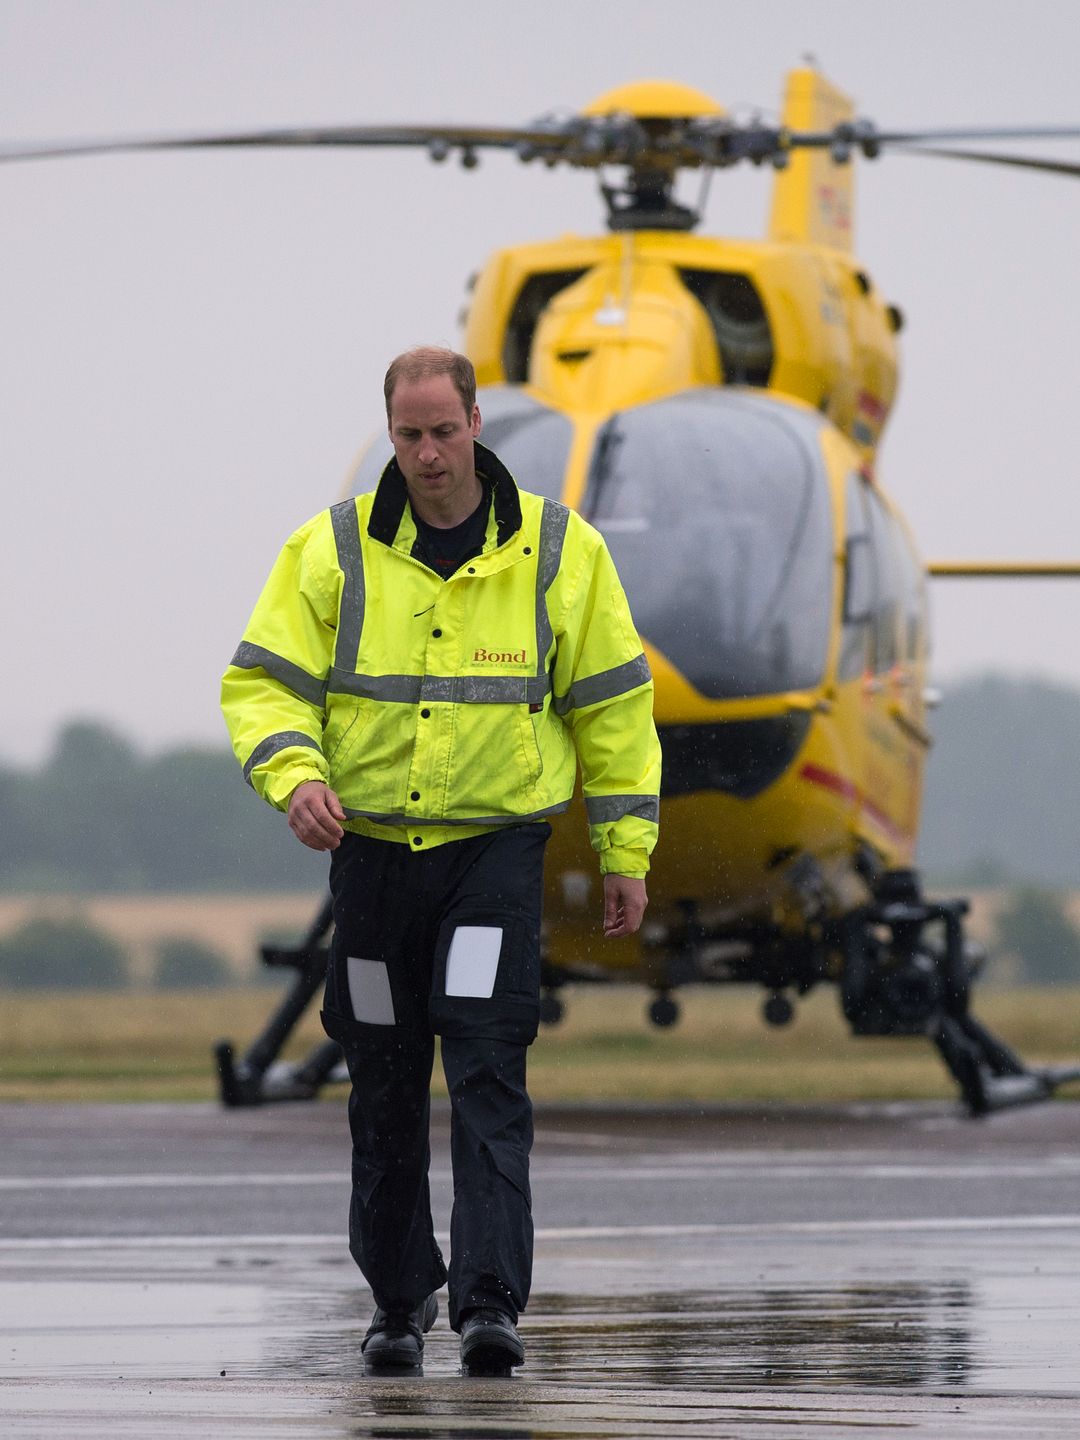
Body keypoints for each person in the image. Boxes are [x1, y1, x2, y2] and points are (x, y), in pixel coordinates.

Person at [221, 346, 661, 1375]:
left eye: (444, 431)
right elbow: (261, 687)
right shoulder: (329, 552)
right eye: (409, 434)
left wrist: (624, 849)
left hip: (491, 862)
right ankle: (397, 1298)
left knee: (485, 1073)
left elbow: (614, 707)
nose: (427, 452)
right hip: (372, 864)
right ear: (391, 433)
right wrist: (294, 778)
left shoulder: (561, 552)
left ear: (476, 426)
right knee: (380, 1084)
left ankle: (491, 1303)